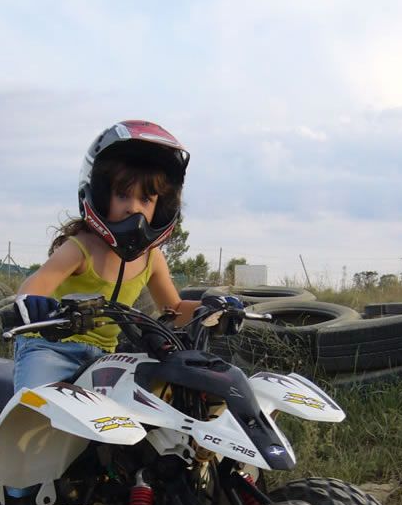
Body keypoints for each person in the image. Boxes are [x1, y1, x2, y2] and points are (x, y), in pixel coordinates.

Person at [12, 119, 240, 391]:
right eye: (123, 195)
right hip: (51, 349)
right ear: (101, 194)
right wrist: (33, 302)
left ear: (162, 207)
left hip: (107, 358)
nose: (134, 207)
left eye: (146, 200)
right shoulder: (81, 247)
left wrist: (213, 310)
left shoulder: (151, 258)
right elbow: (34, 286)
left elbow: (174, 309)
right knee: (36, 406)